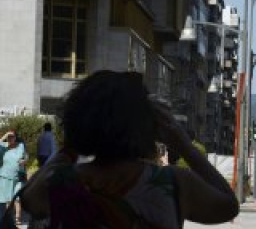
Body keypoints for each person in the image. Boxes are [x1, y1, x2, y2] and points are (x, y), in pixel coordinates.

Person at [20, 70, 239, 229]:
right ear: (147, 124)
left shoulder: (63, 180)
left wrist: (72, 145)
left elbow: (29, 200)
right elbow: (228, 206)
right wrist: (183, 144)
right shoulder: (172, 183)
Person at [0, 131, 26, 225]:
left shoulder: (20, 146)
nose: (11, 138)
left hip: (18, 176)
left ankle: (17, 218)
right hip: (5, 176)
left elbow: (25, 155)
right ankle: (8, 219)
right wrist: (5, 135)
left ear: (16, 137)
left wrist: (25, 160)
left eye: (12, 136)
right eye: (9, 137)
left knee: (17, 198)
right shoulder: (3, 146)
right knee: (6, 199)